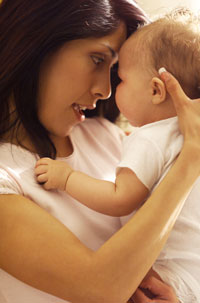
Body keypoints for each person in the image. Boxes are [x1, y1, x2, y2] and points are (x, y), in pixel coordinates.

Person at [0, 0, 200, 302]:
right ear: (37, 44)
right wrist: (191, 159)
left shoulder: (105, 136)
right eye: (97, 59)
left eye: (115, 70)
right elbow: (102, 287)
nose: (106, 90)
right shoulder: (6, 179)